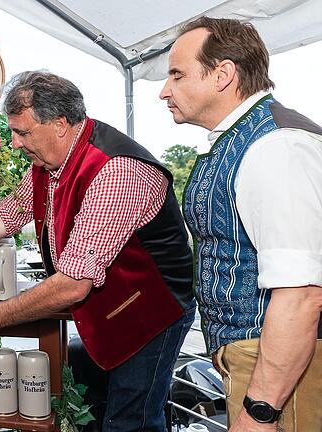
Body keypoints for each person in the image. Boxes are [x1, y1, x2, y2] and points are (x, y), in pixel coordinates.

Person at [0, 71, 196, 431]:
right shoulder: (49, 161)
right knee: (99, 413)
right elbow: (6, 216)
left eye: (22, 132)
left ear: (60, 124)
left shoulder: (117, 170)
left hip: (149, 316)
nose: (15, 143)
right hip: (106, 313)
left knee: (132, 421)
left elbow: (72, 284)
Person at [160, 17, 322, 431]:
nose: (165, 91)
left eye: (177, 75)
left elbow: (301, 293)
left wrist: (261, 410)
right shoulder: (244, 139)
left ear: (223, 74)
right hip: (257, 356)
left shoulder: (276, 146)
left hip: (278, 364)